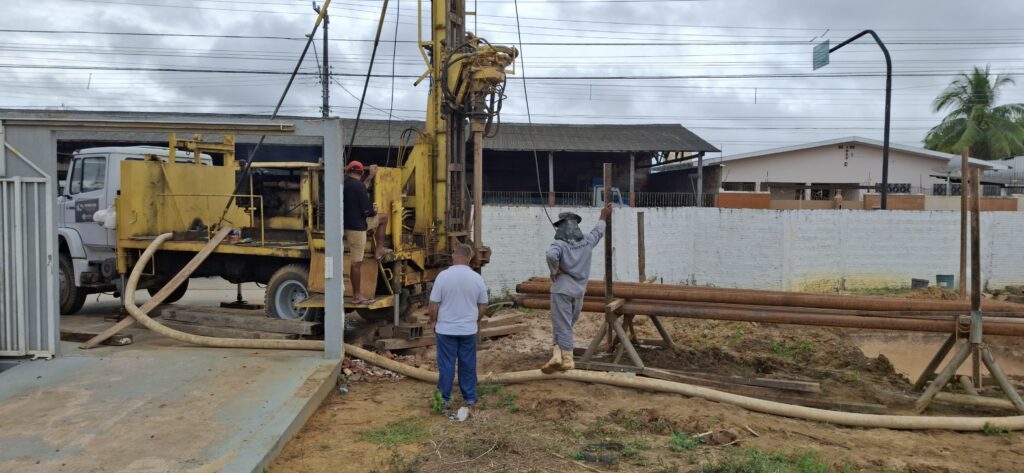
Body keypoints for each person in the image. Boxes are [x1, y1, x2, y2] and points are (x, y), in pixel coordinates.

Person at [542, 203, 612, 373]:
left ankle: (567, 359)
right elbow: (599, 230)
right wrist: (603, 215)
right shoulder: (587, 241)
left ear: (561, 227)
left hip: (561, 290)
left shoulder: (559, 244)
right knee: (565, 324)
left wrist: (554, 270)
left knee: (563, 324)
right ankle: (557, 355)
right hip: (579, 292)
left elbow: (551, 255)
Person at [428, 243, 489, 409]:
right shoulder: (477, 278)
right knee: (468, 364)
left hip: (445, 329)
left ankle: (444, 399)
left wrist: (433, 321)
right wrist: (475, 320)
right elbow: (483, 304)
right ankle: (470, 397)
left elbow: (433, 304)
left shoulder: (443, 276)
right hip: (468, 330)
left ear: (454, 256)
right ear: (469, 258)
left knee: (446, 365)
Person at [343, 161, 388, 304]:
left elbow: (362, 187)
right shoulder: (358, 187)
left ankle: (379, 249)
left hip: (346, 225)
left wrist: (371, 177)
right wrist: (374, 211)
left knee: (383, 218)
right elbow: (367, 211)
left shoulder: (346, 184)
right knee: (356, 263)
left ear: (348, 171)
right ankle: (357, 296)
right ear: (361, 173)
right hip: (357, 229)